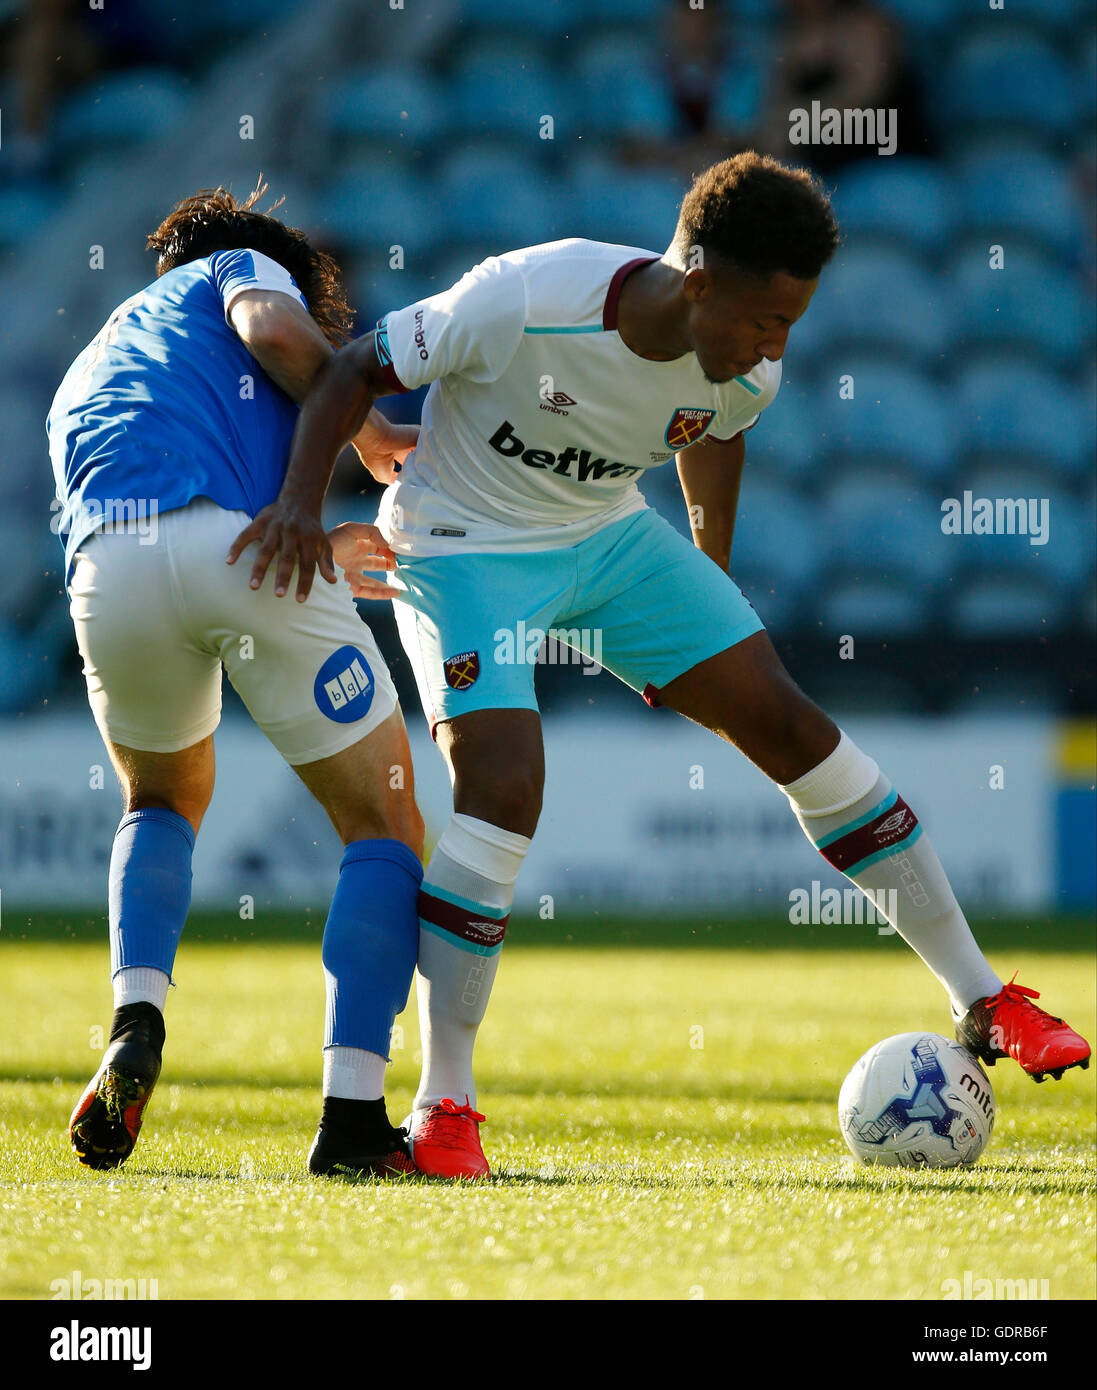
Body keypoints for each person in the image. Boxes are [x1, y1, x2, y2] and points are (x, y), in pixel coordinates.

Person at [231, 152, 1091, 1180]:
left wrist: (706, 573)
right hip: (462, 547)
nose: (774, 348)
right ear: (695, 284)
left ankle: (980, 996)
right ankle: (443, 1104)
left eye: (789, 326)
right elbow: (350, 371)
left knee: (789, 726)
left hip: (608, 540)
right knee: (503, 788)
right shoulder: (521, 299)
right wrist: (295, 503)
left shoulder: (746, 363)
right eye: (761, 323)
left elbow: (711, 426)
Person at [49, 183, 425, 1179]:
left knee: (162, 795)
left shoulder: (95, 364)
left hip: (105, 566)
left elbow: (203, 516)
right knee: (384, 820)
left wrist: (317, 540)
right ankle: (351, 1117)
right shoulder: (233, 268)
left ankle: (137, 1016)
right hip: (222, 550)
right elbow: (272, 329)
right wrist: (374, 431)